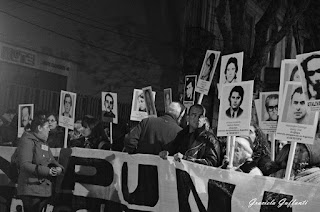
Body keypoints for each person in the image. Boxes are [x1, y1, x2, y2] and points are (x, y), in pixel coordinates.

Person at [16, 114, 64, 212]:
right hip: (31, 190)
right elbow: (25, 165)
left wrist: (59, 168)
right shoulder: (27, 141)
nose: (49, 130)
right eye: (46, 127)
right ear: (39, 128)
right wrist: (48, 171)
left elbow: (51, 160)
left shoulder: (43, 143)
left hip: (42, 190)